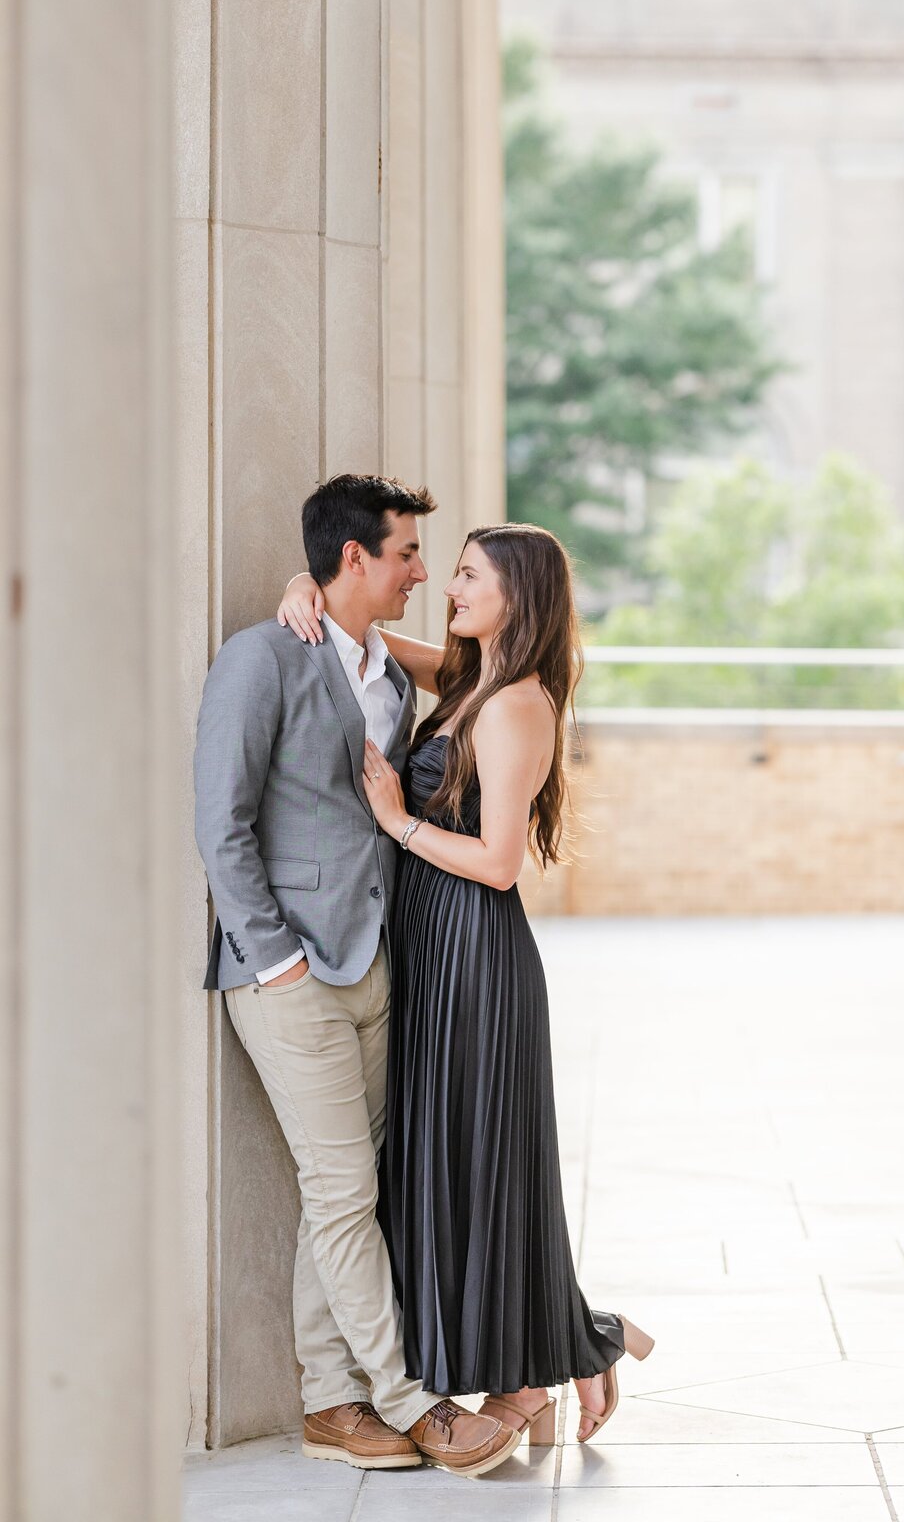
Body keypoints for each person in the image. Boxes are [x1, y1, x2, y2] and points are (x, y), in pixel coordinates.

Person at [277, 522, 654, 1449]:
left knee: (484, 1167)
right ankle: (568, 1349)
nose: (449, 587)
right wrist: (304, 583)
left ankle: (545, 1367)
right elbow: (361, 628)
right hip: (433, 951)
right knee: (457, 1165)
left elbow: (497, 863)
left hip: (477, 957)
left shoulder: (516, 704)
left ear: (517, 594)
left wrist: (396, 820)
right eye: (449, 571)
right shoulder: (468, 680)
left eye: (469, 575)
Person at [194, 474, 519, 1478]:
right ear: (355, 560)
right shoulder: (258, 660)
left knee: (349, 1192)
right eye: (409, 554)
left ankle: (330, 1402)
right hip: (286, 974)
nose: (423, 571)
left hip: (379, 969)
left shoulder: (389, 670)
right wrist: (275, 955)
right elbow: (221, 822)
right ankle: (415, 1402)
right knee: (341, 1187)